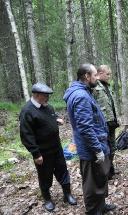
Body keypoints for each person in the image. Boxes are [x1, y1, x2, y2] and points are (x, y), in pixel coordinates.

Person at [63, 63, 116, 215]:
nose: (97, 78)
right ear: (87, 76)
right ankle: (93, 210)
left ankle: (101, 205)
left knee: (101, 176)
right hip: (91, 147)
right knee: (92, 181)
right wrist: (97, 149)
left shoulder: (85, 92)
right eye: (95, 75)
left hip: (98, 142)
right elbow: (85, 128)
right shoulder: (80, 96)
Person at [19, 83, 77, 212]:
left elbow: (51, 116)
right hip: (43, 152)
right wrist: (36, 153)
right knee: (45, 176)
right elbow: (26, 135)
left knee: (62, 170)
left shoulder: (47, 107)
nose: (48, 98)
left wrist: (57, 119)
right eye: (45, 96)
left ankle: (67, 194)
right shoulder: (27, 111)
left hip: (56, 148)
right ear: (36, 95)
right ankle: (47, 199)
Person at [93, 65, 121, 179]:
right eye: (107, 74)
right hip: (102, 123)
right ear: (100, 74)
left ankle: (110, 167)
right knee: (105, 147)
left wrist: (117, 119)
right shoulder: (94, 87)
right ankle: (105, 170)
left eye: (110, 74)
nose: (109, 76)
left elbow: (112, 104)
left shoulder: (108, 86)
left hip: (112, 122)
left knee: (113, 146)